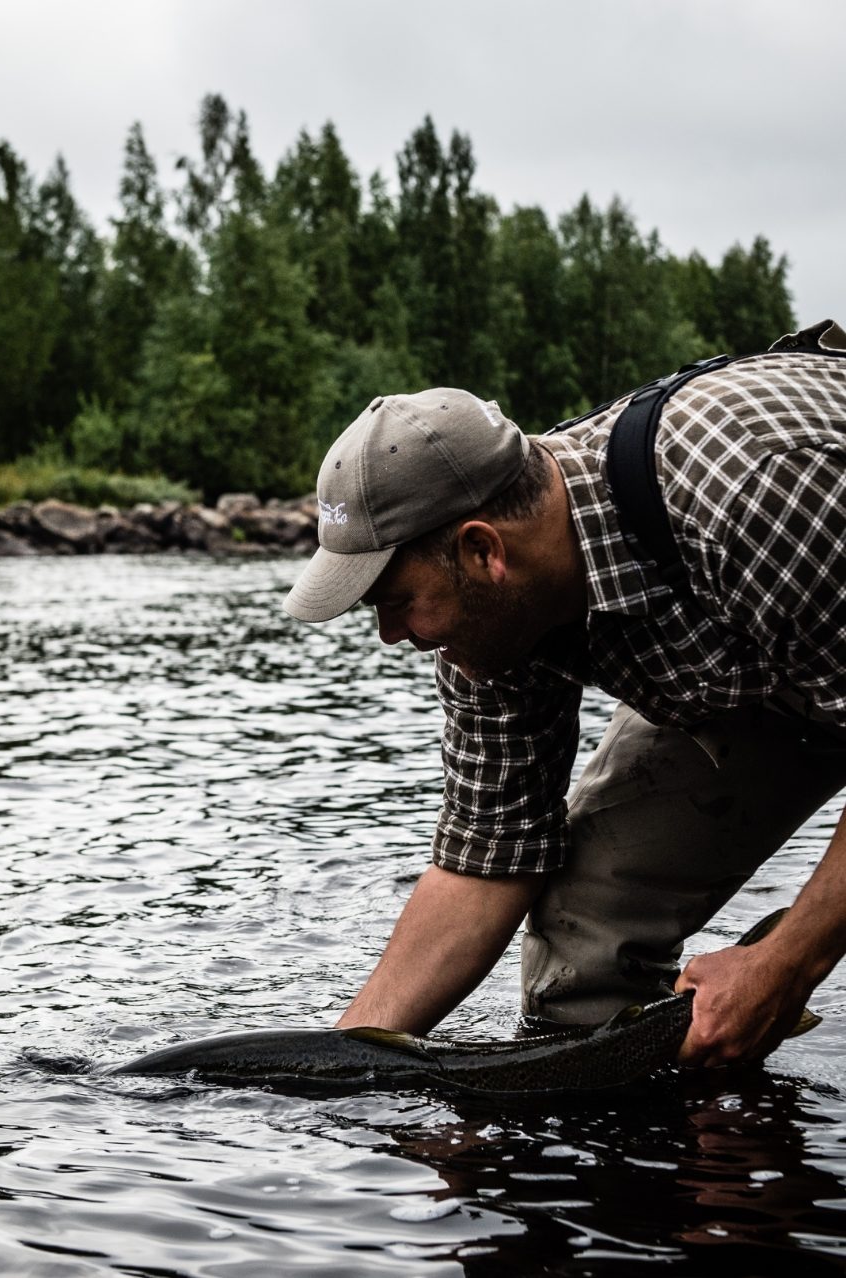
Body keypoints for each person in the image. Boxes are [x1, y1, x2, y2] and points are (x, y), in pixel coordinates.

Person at [283, 319, 846, 1069]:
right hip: (766, 655)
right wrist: (343, 1068)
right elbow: (490, 855)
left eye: (394, 602)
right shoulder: (486, 624)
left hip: (806, 574)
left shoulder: (752, 490)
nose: (391, 635)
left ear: (482, 551)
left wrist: (785, 963)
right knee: (586, 935)